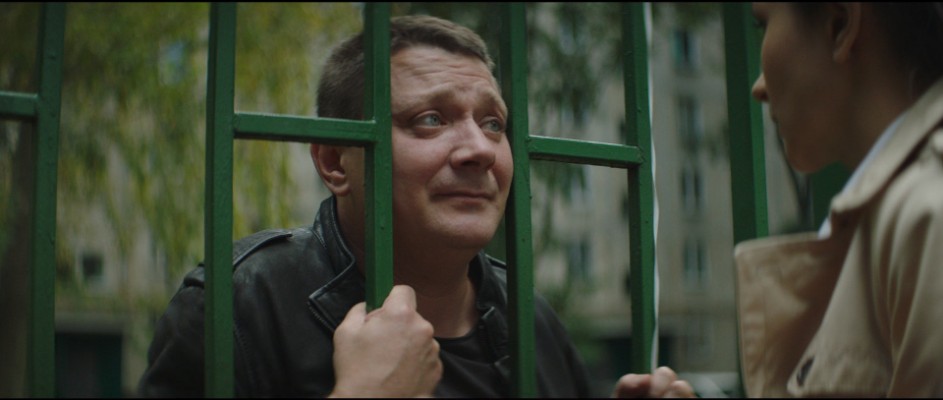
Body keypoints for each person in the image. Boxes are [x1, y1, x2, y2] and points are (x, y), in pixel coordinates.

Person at [138, 14, 694, 398]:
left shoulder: (533, 321)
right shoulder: (236, 308)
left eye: (493, 123)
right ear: (334, 162)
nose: (480, 149)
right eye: (430, 119)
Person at [643, 2, 943, 398]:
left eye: (762, 24)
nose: (759, 87)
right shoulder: (893, 215)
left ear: (839, 23)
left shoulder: (926, 213)